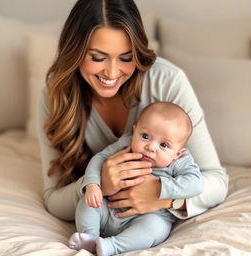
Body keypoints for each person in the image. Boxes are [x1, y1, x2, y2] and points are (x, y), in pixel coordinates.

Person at [37, 0, 228, 242]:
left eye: (126, 58)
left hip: (151, 214)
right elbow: (53, 198)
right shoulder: (55, 95)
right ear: (74, 51)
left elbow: (216, 180)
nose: (112, 72)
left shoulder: (167, 82)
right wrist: (98, 184)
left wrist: (163, 197)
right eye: (98, 57)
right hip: (102, 206)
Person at [69, 102, 203, 255]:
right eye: (145, 136)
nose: (151, 147)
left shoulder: (180, 162)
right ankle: (90, 238)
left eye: (164, 145)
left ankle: (111, 246)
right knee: (87, 202)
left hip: (146, 216)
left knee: (156, 228)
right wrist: (93, 184)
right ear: (134, 131)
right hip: (110, 208)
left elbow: (196, 184)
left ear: (178, 153)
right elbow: (100, 158)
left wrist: (159, 188)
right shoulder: (127, 143)